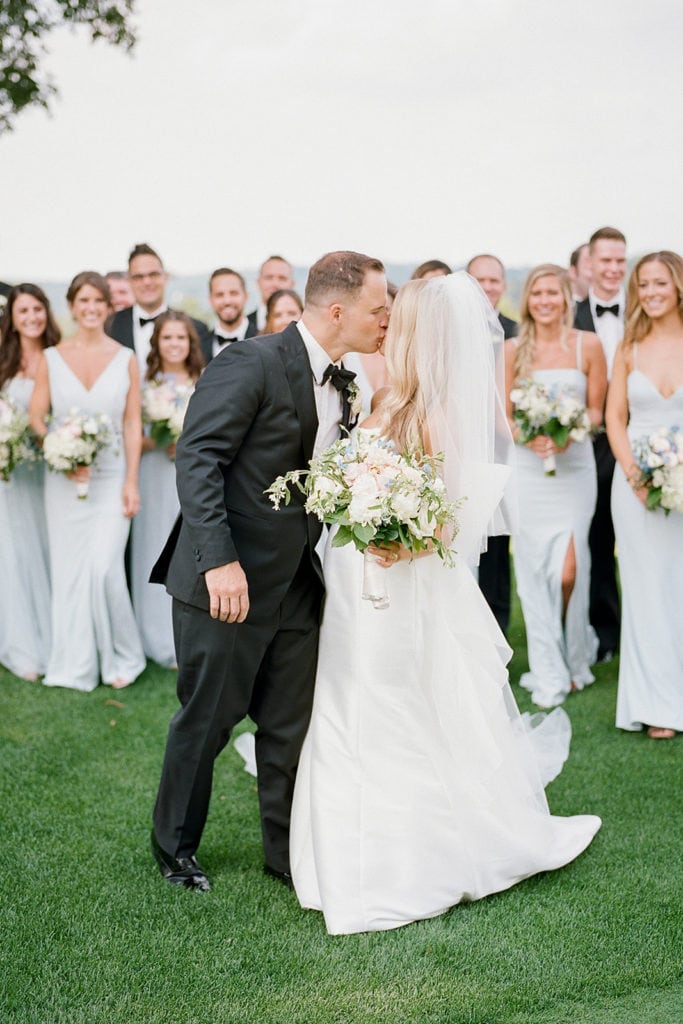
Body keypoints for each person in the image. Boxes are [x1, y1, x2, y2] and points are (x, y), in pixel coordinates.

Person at [290, 273, 601, 935]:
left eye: (391, 318)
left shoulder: (428, 412)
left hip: (397, 586)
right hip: (350, 583)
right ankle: (342, 853)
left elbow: (444, 518)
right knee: (344, 700)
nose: (384, 324)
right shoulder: (380, 395)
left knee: (390, 702)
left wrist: (394, 538)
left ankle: (409, 859)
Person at [149, 251, 389, 892]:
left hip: (301, 585)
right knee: (208, 719)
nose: (386, 318)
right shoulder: (250, 362)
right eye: (378, 307)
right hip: (228, 582)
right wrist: (220, 561)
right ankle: (175, 851)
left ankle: (284, 853)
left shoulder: (347, 379)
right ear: (338, 311)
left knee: (290, 727)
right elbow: (197, 458)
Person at [29, 271, 145, 692]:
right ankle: (77, 661)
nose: (92, 308)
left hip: (112, 477)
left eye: (99, 301)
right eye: (84, 301)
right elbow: (37, 417)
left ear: (107, 308)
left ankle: (123, 655)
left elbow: (132, 423)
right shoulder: (51, 358)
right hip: (63, 483)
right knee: (71, 572)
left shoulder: (125, 358)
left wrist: (131, 482)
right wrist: (59, 449)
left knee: (104, 569)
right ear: (73, 306)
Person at [506, 265, 606, 708]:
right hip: (527, 472)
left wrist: (572, 431)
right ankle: (549, 667)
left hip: (574, 469)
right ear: (528, 300)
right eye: (537, 293)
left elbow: (600, 411)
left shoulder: (590, 345)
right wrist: (531, 436)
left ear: (567, 298)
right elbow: (503, 417)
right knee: (532, 571)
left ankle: (573, 650)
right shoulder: (512, 351)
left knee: (569, 570)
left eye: (553, 293)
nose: (545, 300)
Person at [606, 251, 683, 740]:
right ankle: (656, 704)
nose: (651, 293)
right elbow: (615, 417)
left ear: (677, 286)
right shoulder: (628, 346)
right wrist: (634, 474)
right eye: (644, 286)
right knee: (646, 591)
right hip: (634, 483)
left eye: (660, 284)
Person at [132, 312, 205, 667]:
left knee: (184, 552)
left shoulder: (203, 379)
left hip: (188, 477)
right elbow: (131, 433)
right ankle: (150, 635)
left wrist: (185, 443)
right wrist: (158, 440)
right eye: (168, 337)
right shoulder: (144, 382)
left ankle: (182, 636)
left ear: (190, 343)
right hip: (152, 473)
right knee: (151, 547)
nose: (174, 344)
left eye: (181, 337)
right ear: (156, 342)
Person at [0, 284, 60, 679]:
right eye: (24, 311)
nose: (32, 317)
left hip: (50, 470)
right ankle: (23, 645)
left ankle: (58, 641)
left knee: (51, 549)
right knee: (16, 554)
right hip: (10, 473)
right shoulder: (2, 360)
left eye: (37, 309)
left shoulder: (59, 358)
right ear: (13, 317)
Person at [575, 227, 628, 662]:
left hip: (639, 440)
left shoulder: (647, 314)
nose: (613, 269)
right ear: (589, 264)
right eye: (605, 261)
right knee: (594, 539)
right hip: (587, 447)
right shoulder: (571, 317)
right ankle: (604, 634)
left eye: (619, 261)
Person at [466, 254, 518, 633]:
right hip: (459, 452)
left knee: (498, 548)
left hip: (503, 455)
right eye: (479, 280)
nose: (487, 288)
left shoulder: (517, 333)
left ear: (503, 285)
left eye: (494, 280)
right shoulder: (450, 330)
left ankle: (499, 631)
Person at [107, 243, 208, 373]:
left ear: (165, 277)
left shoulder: (196, 329)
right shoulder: (109, 327)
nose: (147, 282)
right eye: (139, 277)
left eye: (153, 274)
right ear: (129, 282)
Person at [201, 268, 258, 364]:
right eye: (219, 295)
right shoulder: (199, 346)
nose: (227, 301)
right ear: (210, 300)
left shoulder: (263, 339)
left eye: (233, 293)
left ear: (245, 296)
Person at [247, 255, 296, 332]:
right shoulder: (244, 324)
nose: (275, 284)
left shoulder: (304, 324)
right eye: (269, 278)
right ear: (258, 282)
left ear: (292, 284)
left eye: (282, 278)